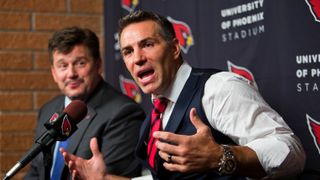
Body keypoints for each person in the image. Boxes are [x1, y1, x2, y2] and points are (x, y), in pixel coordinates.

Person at [61, 11, 306, 179]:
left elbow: (291, 152)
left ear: (175, 48)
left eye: (147, 44)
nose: (137, 58)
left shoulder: (218, 88)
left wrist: (222, 156)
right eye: (127, 51)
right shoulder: (158, 106)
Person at [24, 26, 145, 180]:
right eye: (63, 66)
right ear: (54, 73)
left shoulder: (124, 113)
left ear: (98, 65)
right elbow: (36, 172)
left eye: (80, 63)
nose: (71, 74)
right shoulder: (48, 110)